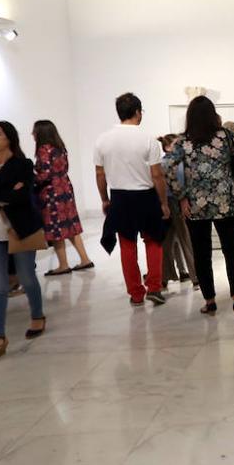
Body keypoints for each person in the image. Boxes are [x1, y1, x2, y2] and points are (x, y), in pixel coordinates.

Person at [161, 97, 234, 321]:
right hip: (226, 203)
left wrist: (181, 198)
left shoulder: (183, 142)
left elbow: (168, 168)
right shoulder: (226, 137)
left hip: (196, 206)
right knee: (232, 252)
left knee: (202, 255)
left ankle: (209, 301)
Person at [0, 121, 47, 361]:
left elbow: (22, 195)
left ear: (9, 137)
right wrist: (2, 195)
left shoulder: (23, 165)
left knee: (26, 278)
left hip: (19, 230)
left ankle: (37, 315)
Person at [93, 92, 170, 307]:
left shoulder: (103, 140)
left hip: (119, 197)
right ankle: (154, 287)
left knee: (127, 246)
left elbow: (100, 174)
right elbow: (156, 175)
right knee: (153, 241)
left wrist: (104, 199)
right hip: (145, 196)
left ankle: (136, 293)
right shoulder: (147, 139)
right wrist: (163, 202)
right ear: (138, 112)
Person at [31, 120, 92, 276]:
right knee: (70, 225)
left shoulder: (44, 149)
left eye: (34, 131)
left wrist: (32, 179)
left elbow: (45, 174)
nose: (32, 134)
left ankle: (63, 265)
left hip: (51, 192)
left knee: (56, 228)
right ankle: (85, 259)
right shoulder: (60, 148)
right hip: (65, 188)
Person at [157, 133, 198, 289]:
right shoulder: (172, 163)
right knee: (184, 240)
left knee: (168, 242)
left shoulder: (167, 163)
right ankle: (195, 277)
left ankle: (165, 278)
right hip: (177, 202)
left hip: (167, 203)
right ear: (168, 147)